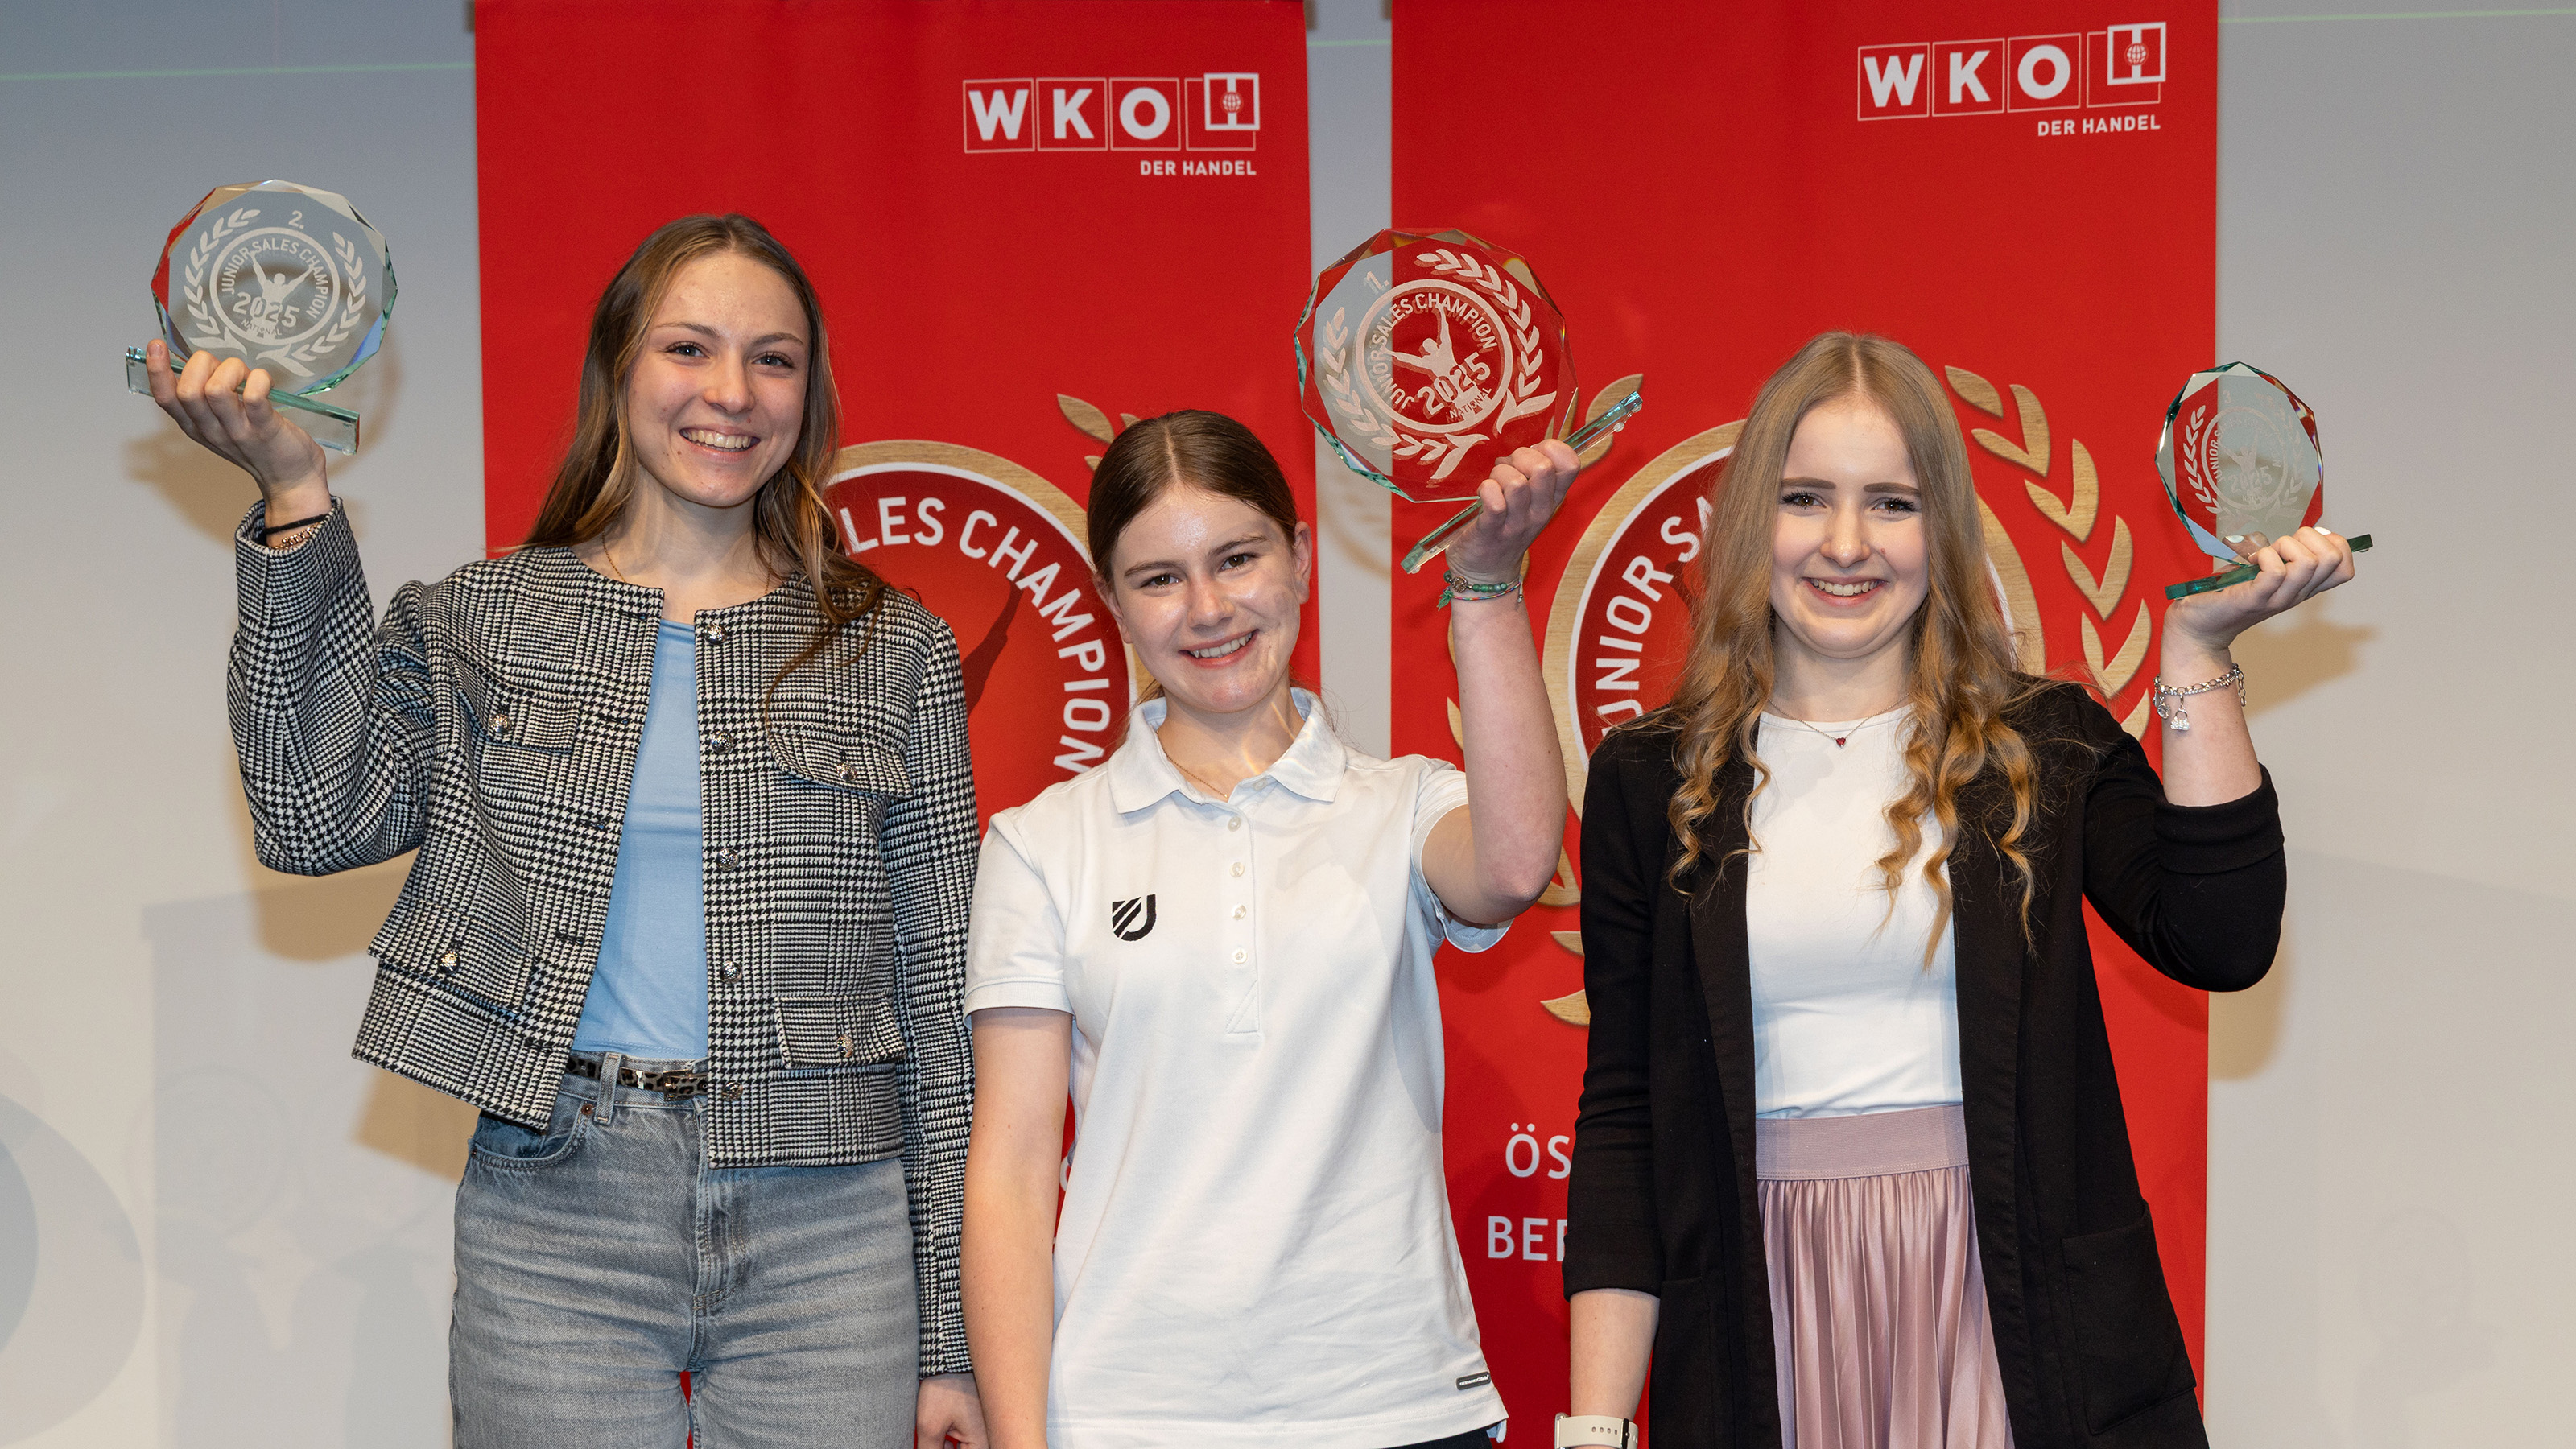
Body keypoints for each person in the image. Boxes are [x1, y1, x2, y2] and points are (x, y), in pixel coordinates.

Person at [141, 213, 986, 1448]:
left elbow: (945, 1000)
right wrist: (293, 494)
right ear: (619, 373)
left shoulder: (890, 647)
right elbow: (311, 817)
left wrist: (951, 1340)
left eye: (774, 359)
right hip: (558, 1210)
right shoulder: (486, 615)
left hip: (832, 1225)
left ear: (811, 393)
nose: (731, 394)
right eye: (689, 348)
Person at [1556, 332, 2354, 1449]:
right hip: (1761, 1311)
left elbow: (2221, 938)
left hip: (2012, 1303)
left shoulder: (2046, 742)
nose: (1845, 543)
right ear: (1750, 522)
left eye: (1891, 502)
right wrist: (1593, 1426)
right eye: (1804, 499)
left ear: (1946, 528)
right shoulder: (1649, 779)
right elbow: (1627, 1117)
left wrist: (2194, 656)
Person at [959, 411, 1576, 1448]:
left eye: (1236, 560)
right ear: (1111, 603)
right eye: (1158, 579)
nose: (1207, 609)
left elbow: (1515, 866)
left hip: (1393, 1403)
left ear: (1296, 559)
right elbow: (1013, 1172)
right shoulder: (1045, 843)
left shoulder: (1403, 804)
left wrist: (1486, 586)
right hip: (1129, 1412)